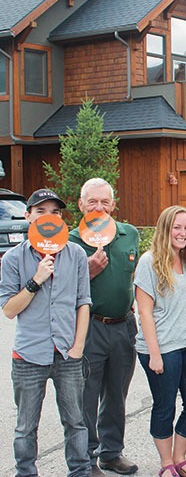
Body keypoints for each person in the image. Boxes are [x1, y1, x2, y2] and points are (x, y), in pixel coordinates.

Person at [0, 189, 92, 477]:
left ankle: (79, 471)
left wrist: (78, 347)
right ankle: (25, 472)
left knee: (75, 421)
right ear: (28, 216)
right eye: (40, 211)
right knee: (26, 425)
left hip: (67, 353)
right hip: (28, 355)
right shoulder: (13, 258)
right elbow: (9, 309)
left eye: (55, 212)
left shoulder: (75, 253)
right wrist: (36, 279)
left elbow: (83, 302)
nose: (48, 217)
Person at [68, 178, 140, 477]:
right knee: (87, 396)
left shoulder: (129, 235)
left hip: (124, 326)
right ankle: (86, 459)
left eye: (105, 202)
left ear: (113, 204)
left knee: (116, 395)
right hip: (90, 328)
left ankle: (112, 453)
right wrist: (87, 270)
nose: (99, 207)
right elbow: (58, 287)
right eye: (92, 202)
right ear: (81, 205)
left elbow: (131, 275)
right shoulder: (71, 240)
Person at [135, 206, 186, 477]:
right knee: (165, 405)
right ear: (165, 229)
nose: (182, 233)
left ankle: (180, 457)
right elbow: (144, 310)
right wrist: (154, 354)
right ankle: (166, 463)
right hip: (162, 347)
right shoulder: (149, 261)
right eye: (176, 227)